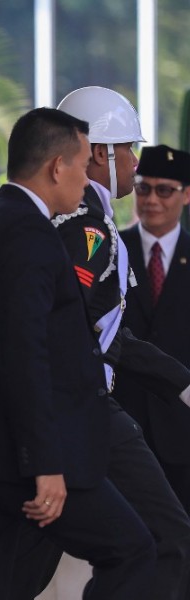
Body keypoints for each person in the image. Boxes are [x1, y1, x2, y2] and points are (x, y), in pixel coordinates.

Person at [0, 107, 157, 600]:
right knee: (131, 551)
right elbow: (24, 353)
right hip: (13, 458)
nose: (88, 180)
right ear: (56, 167)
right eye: (85, 165)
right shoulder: (29, 234)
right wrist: (45, 463)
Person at [45, 88, 190, 599]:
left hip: (90, 410)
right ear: (100, 154)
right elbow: (88, 330)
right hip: (84, 407)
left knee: (137, 544)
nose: (135, 164)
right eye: (129, 149)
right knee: (160, 537)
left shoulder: (84, 217)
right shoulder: (85, 223)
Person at [117, 145, 190, 518]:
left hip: (183, 426)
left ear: (186, 194)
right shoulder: (112, 249)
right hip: (125, 426)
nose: (152, 200)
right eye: (144, 188)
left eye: (165, 190)